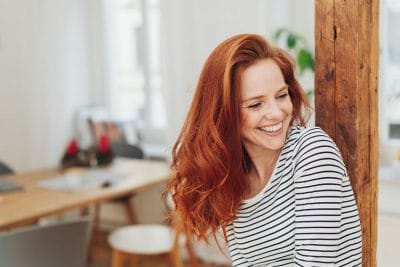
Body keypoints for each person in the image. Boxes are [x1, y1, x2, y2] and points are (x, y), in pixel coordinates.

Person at [165, 34, 362, 266]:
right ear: (224, 113)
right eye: (256, 104)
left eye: (281, 95)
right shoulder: (232, 179)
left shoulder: (312, 153)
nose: (277, 113)